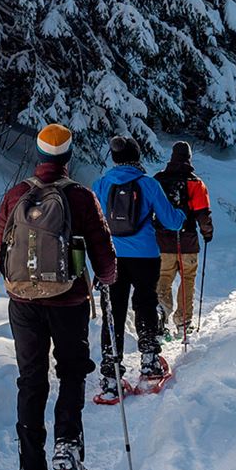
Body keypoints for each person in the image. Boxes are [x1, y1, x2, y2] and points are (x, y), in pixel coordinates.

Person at [0, 123, 117, 470]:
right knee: (72, 372)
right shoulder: (80, 196)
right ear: (68, 156)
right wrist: (106, 279)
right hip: (68, 301)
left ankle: (31, 463)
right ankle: (67, 447)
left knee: (31, 378)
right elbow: (104, 257)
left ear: (39, 154)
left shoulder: (16, 194)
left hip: (23, 303)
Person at [91, 135, 185, 399]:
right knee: (145, 303)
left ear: (114, 159)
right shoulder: (149, 184)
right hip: (145, 256)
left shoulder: (100, 184)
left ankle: (111, 374)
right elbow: (172, 221)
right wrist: (181, 213)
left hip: (111, 257)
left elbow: (91, 223)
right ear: (137, 157)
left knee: (113, 310)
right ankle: (149, 359)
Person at [154, 141, 214, 338]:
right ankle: (184, 322)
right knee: (187, 279)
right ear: (189, 158)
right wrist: (207, 233)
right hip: (187, 241)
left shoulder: (158, 180)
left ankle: (160, 316)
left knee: (163, 279)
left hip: (162, 242)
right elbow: (202, 214)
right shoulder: (195, 183)